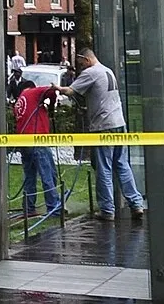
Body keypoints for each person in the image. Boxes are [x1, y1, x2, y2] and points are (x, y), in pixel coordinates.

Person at [61, 48, 145, 222]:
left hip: (103, 127)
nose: (80, 67)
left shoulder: (91, 72)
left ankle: (107, 210)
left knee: (104, 168)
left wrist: (55, 88)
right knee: (122, 165)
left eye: (81, 62)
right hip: (119, 123)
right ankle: (136, 203)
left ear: (86, 59)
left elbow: (70, 91)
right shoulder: (108, 70)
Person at [13, 76, 61, 218]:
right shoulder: (33, 92)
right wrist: (51, 106)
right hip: (37, 140)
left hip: (24, 142)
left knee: (30, 176)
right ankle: (54, 207)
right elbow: (52, 91)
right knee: (48, 174)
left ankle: (29, 208)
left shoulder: (18, 102)